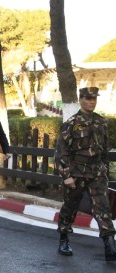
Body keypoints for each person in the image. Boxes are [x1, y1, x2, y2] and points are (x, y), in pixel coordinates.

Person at [55, 87, 116, 260]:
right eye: (88, 99)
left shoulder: (101, 122)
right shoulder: (71, 123)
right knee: (70, 206)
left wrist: (105, 169)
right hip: (76, 173)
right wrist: (66, 176)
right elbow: (61, 152)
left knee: (103, 207)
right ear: (81, 99)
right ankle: (64, 239)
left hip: (97, 173)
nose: (92, 102)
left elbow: (104, 149)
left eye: (94, 99)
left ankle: (110, 245)